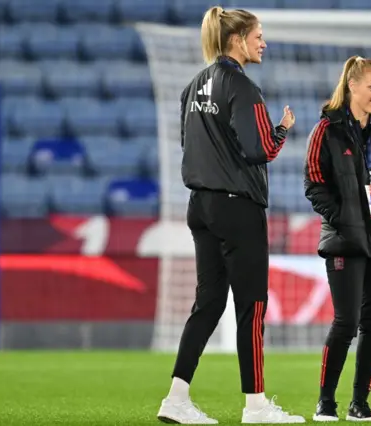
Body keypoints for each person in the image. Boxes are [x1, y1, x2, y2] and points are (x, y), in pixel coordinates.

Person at [156, 6, 305, 424]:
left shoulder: (193, 85)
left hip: (200, 205)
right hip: (237, 206)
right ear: (237, 40)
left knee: (207, 303)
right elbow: (260, 151)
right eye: (258, 35)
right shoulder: (242, 86)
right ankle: (256, 407)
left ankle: (176, 398)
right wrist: (281, 130)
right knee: (252, 307)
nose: (263, 42)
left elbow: (191, 142)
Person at [304, 56, 371, 422]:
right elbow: (313, 183)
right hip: (345, 239)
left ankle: (359, 403)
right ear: (353, 86)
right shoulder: (326, 130)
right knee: (345, 321)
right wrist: (343, 219)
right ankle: (325, 402)